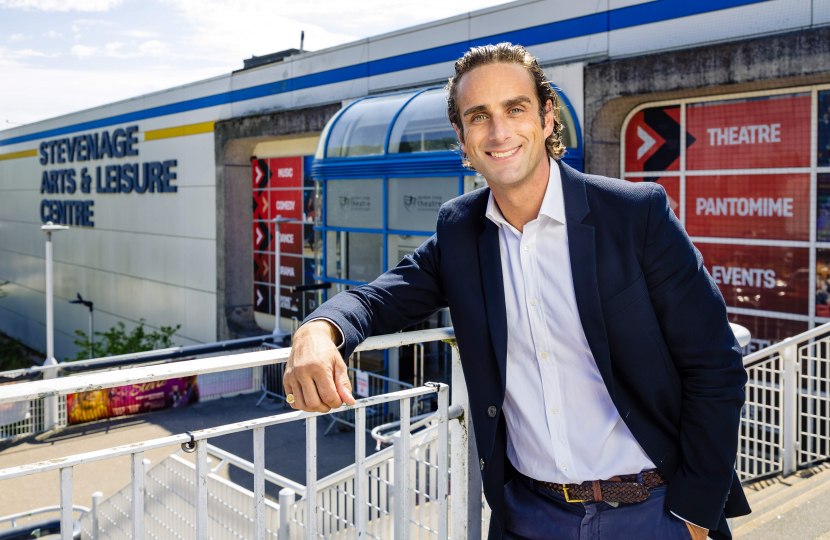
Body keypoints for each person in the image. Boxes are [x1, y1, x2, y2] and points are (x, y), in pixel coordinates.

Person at [284, 43, 750, 540]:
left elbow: (714, 364)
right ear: (462, 138)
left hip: (653, 511)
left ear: (547, 118)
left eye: (515, 108)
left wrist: (696, 513)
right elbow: (377, 298)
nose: (499, 131)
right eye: (478, 116)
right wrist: (316, 330)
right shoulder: (460, 232)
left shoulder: (636, 216)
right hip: (530, 517)